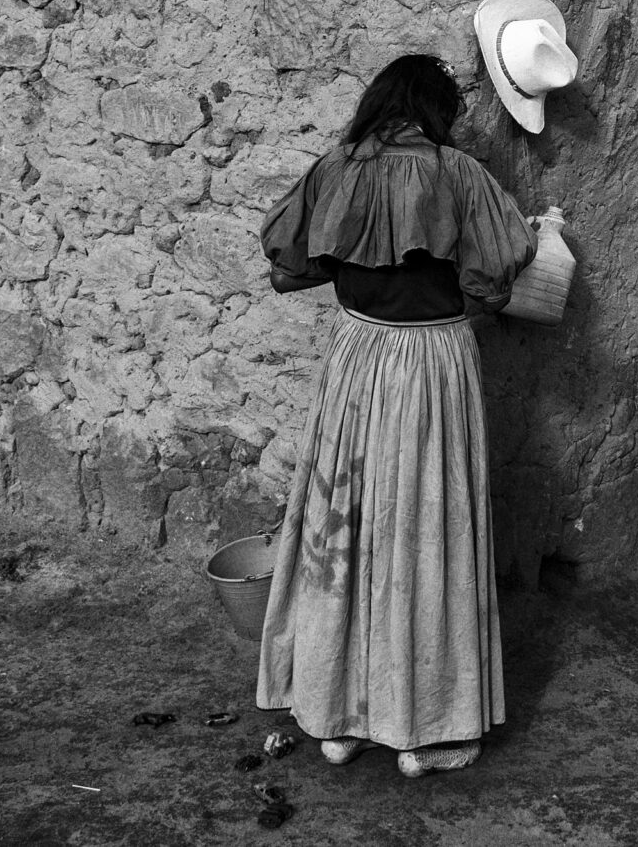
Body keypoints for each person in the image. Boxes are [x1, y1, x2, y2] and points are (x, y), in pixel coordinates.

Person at [254, 53, 537, 777]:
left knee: (346, 529)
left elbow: (291, 262)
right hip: (434, 364)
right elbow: (495, 280)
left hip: (356, 359)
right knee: (426, 531)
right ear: (436, 111)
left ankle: (337, 717)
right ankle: (424, 731)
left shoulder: (334, 168)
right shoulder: (460, 175)